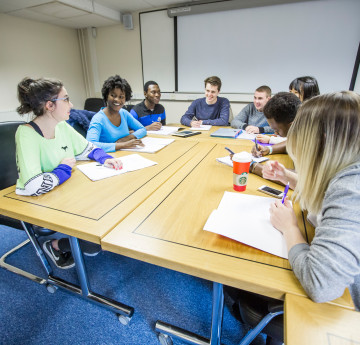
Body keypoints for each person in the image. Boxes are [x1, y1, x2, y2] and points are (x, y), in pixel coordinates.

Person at [264, 91, 360, 310]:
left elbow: (321, 284)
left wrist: (289, 228)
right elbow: (327, 192)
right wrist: (287, 176)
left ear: (322, 141)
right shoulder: (348, 169)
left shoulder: (352, 188)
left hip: (343, 309)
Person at [16, 77, 122, 269]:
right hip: (38, 200)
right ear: (49, 105)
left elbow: (87, 148)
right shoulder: (26, 134)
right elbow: (33, 185)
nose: (71, 104)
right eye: (66, 99)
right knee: (97, 239)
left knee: (111, 213)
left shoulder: (62, 125)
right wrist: (63, 170)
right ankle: (56, 246)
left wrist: (104, 158)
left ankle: (75, 242)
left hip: (64, 192)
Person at [253, 76, 320, 156]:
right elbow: (293, 142)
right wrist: (269, 149)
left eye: (296, 92)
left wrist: (258, 167)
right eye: (290, 91)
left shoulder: (314, 118)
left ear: (309, 95)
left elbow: (298, 143)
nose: (290, 94)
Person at [86, 75, 146, 152]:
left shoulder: (124, 113)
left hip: (125, 154)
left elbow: (142, 129)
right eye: (113, 95)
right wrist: (123, 145)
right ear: (106, 96)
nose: (117, 100)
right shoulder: (98, 118)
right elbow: (90, 145)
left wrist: (128, 138)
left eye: (121, 96)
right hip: (108, 159)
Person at [248, 92, 301, 177]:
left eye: (277, 130)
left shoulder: (312, 138)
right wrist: (268, 149)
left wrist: (254, 166)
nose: (275, 133)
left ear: (292, 125)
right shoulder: (300, 128)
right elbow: (291, 143)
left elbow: (303, 178)